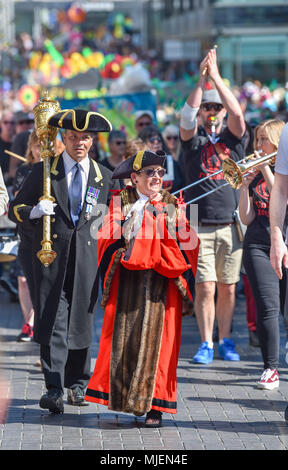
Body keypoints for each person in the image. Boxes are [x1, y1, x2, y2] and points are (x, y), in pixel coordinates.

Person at [8, 109, 120, 414]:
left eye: (85, 137)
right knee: (53, 320)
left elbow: (111, 222)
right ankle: (55, 388)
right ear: (63, 138)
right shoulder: (46, 170)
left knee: (81, 320)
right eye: (73, 137)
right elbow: (14, 208)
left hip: (86, 259)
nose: (79, 143)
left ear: (92, 141)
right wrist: (34, 211)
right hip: (51, 257)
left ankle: (78, 383)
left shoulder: (103, 176)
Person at [85, 149, 199, 427]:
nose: (157, 177)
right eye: (150, 172)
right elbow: (106, 238)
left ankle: (155, 407)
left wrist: (164, 225)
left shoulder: (173, 204)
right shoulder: (119, 202)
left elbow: (189, 246)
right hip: (128, 284)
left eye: (160, 172)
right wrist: (133, 231)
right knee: (125, 345)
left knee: (162, 348)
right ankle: (127, 399)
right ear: (134, 178)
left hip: (163, 286)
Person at [179, 46, 246, 364]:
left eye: (215, 107)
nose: (211, 110)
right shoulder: (193, 140)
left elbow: (238, 115)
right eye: (207, 106)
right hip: (200, 224)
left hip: (229, 224)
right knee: (205, 288)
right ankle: (206, 342)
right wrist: (201, 81)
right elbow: (185, 117)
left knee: (228, 288)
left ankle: (226, 339)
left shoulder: (233, 139)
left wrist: (216, 78)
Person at [239, 119, 286, 389]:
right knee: (268, 307)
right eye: (257, 139)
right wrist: (244, 187)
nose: (258, 146)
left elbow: (281, 196)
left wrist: (267, 169)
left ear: (277, 143)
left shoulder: (281, 171)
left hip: (285, 241)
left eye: (263, 140)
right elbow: (246, 217)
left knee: (285, 312)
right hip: (258, 243)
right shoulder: (257, 171)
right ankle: (270, 368)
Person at [11, 130, 41, 342]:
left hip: (47, 233)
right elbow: (16, 199)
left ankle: (35, 323)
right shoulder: (24, 170)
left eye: (44, 145)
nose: (40, 149)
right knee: (23, 279)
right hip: (25, 230)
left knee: (40, 281)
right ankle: (29, 320)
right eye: (37, 145)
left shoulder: (57, 169)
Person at [139, 125, 184, 194]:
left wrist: (193, 205)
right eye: (152, 140)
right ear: (143, 143)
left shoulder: (172, 163)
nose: (156, 142)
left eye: (159, 140)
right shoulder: (137, 166)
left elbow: (184, 187)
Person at [0, 109, 15, 184]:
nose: (9, 126)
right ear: (0, 123)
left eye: (12, 123)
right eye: (6, 122)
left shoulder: (18, 144)